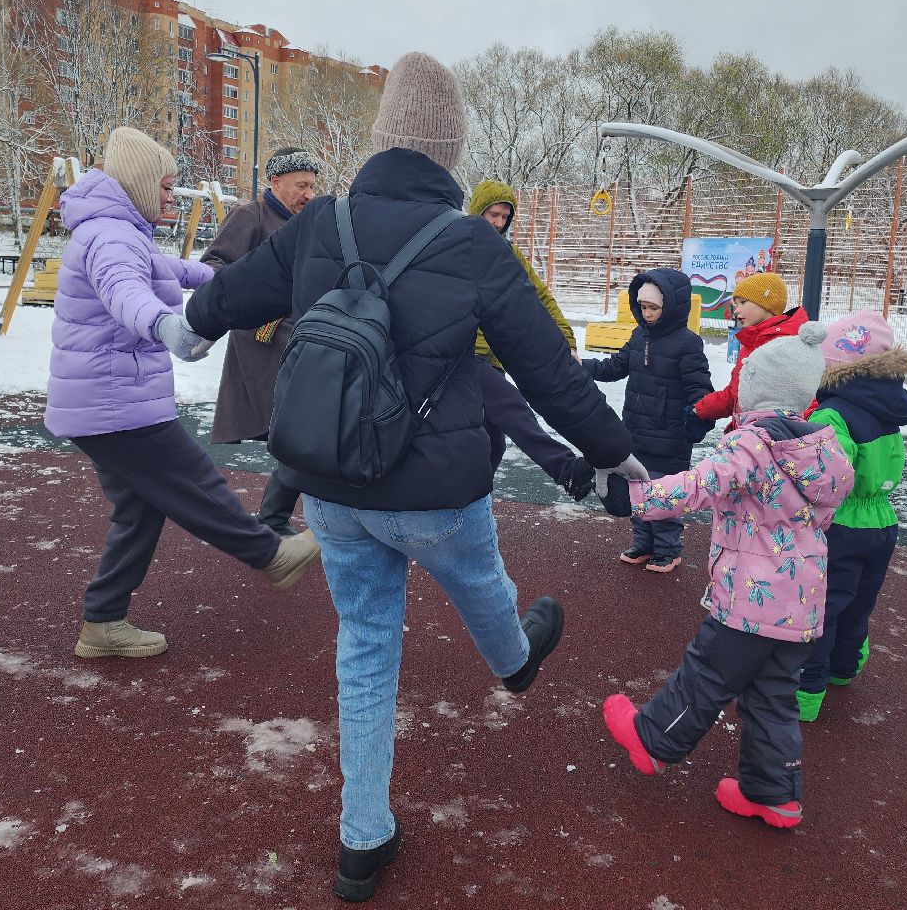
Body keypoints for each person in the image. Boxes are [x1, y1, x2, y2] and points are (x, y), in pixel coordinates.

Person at [184, 53, 640, 902]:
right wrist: (617, 456)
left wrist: (190, 329)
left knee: (365, 647)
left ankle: (364, 841)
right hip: (437, 491)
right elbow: (548, 371)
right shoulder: (471, 243)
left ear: (383, 139)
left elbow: (236, 291)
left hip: (336, 486)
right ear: (451, 149)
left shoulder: (324, 220)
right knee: (483, 589)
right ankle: (514, 662)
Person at [44, 127, 320, 660]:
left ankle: (103, 621)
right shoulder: (113, 237)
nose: (173, 196)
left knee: (141, 508)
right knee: (192, 480)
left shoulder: (121, 230)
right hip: (113, 401)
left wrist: (249, 283)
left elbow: (184, 271)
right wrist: (166, 327)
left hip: (107, 398)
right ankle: (269, 554)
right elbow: (124, 292)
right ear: (139, 185)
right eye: (167, 187)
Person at [602, 322, 853, 830]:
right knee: (772, 698)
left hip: (750, 598)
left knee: (706, 676)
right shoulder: (825, 451)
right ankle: (773, 792)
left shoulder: (753, 445)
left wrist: (632, 497)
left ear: (756, 387)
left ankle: (652, 740)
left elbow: (700, 485)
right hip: (801, 605)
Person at [796, 311, 907, 721]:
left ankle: (805, 695)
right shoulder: (887, 408)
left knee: (822, 608)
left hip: (841, 525)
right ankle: (844, 669)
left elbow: (828, 475)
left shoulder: (832, 414)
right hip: (881, 522)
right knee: (859, 601)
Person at [200, 147, 319, 536]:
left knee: (304, 430)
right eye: (301, 185)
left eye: (312, 186)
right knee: (300, 430)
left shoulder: (308, 222)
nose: (308, 194)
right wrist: (255, 302)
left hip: (302, 341)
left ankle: (281, 516)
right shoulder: (249, 216)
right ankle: (276, 518)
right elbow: (214, 267)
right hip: (263, 342)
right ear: (275, 183)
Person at [467, 178, 594, 501]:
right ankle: (565, 468)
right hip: (460, 354)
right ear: (477, 211)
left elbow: (539, 295)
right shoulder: (457, 245)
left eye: (504, 217)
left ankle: (472, 504)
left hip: (493, 358)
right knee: (513, 408)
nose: (497, 223)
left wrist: (567, 340)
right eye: (492, 214)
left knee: (493, 443)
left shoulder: (508, 253)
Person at [583, 270, 713, 572]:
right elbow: (615, 366)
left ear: (672, 307)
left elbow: (700, 389)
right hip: (636, 430)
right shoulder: (639, 334)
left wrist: (696, 418)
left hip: (670, 435)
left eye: (654, 308)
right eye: (643, 307)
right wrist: (581, 366)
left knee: (664, 494)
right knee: (637, 490)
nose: (647, 314)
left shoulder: (687, 344)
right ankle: (643, 543)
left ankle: (667, 549)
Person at [692, 272, 809, 433]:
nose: (736, 311)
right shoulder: (751, 342)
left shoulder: (787, 345)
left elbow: (805, 399)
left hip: (772, 443)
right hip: (748, 438)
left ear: (766, 303)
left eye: (743, 302)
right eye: (735, 304)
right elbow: (736, 394)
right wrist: (700, 410)